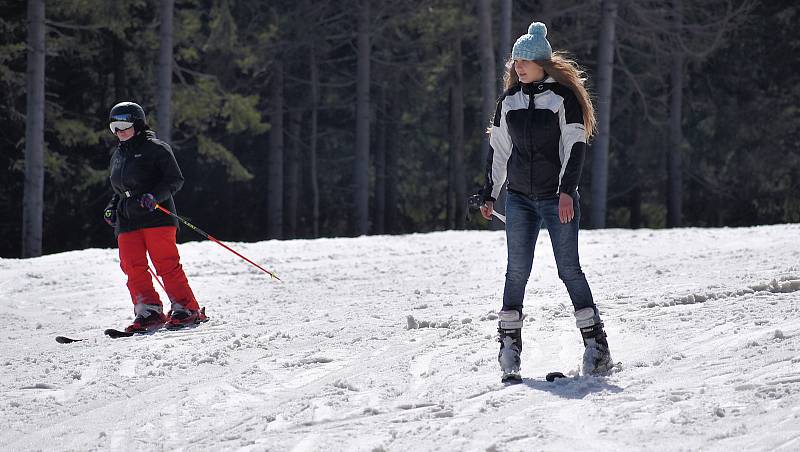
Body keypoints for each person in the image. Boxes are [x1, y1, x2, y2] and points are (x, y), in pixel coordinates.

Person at [480, 22, 613, 380]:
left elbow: (575, 147)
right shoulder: (508, 102)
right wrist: (489, 193)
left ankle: (596, 347)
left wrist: (567, 191)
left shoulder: (563, 100)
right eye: (515, 61)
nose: (518, 67)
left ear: (542, 63)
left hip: (558, 199)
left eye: (524, 61)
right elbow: (499, 152)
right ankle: (509, 348)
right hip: (520, 199)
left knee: (569, 270)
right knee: (516, 273)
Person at [104, 101, 206, 333]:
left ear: (138, 124)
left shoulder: (156, 148)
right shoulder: (118, 155)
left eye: (123, 125)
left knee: (165, 263)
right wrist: (112, 206)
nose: (119, 132)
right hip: (127, 217)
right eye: (114, 128)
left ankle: (185, 307)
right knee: (132, 265)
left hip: (155, 215)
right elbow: (119, 188)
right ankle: (148, 309)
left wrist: (154, 196)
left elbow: (174, 180)